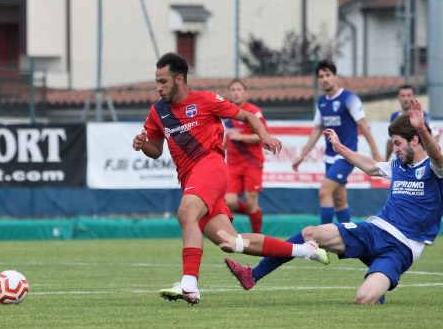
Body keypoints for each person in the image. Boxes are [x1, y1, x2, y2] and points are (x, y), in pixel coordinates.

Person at [132, 52, 329, 305]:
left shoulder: (205, 100)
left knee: (186, 214)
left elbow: (247, 116)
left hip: (210, 166)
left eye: (163, 82)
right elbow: (156, 151)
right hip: (190, 178)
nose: (158, 88)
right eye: (156, 82)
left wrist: (265, 137)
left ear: (179, 79)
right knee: (230, 242)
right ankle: (305, 250)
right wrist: (143, 144)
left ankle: (190, 284)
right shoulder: (157, 112)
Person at [225, 99, 443, 304]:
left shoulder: (434, 169)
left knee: (363, 299)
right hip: (373, 231)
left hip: (400, 248)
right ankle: (252, 275)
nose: (394, 149)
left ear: (415, 140)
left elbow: (438, 158)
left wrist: (422, 129)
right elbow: (370, 166)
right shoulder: (398, 166)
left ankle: (377, 286)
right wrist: (340, 149)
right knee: (310, 233)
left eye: (397, 143)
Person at [292, 59, 383, 225]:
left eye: (328, 75)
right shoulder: (321, 101)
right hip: (329, 157)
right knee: (340, 200)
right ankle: (347, 244)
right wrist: (302, 155)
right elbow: (317, 129)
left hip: (346, 156)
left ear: (335, 77)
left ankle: (323, 242)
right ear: (318, 80)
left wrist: (376, 152)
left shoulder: (349, 98)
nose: (325, 79)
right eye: (321, 76)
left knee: (324, 192)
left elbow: (363, 125)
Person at [223, 79, 266, 233]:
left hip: (252, 163)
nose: (236, 92)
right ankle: (255, 214)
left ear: (245, 92)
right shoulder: (225, 112)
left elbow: (263, 135)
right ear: (229, 93)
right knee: (229, 202)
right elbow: (224, 136)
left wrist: (241, 138)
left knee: (251, 200)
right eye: (233, 89)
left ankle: (258, 237)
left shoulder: (254, 112)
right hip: (233, 164)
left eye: (239, 89)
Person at [385, 85, 430, 160]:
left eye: (409, 95)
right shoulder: (394, 116)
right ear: (398, 97)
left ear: (413, 97)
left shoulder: (423, 115)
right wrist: (386, 160)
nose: (406, 99)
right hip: (401, 161)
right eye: (403, 96)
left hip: (419, 161)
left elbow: (432, 138)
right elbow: (391, 141)